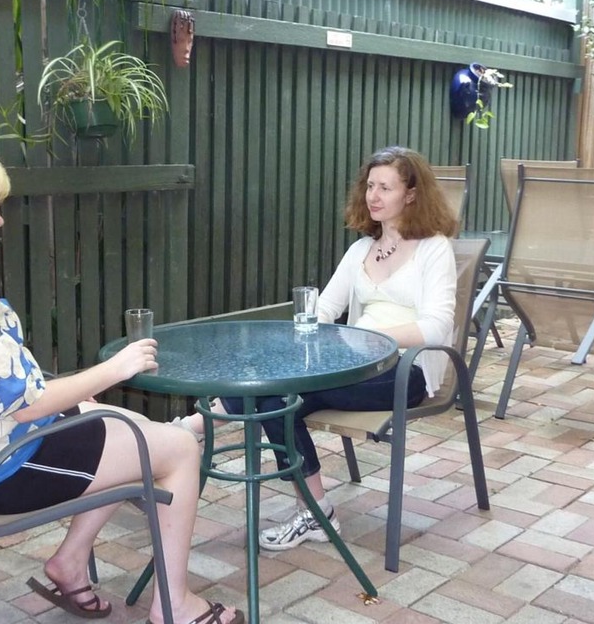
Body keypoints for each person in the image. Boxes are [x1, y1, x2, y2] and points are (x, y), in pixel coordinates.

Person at [0, 145, 241, 624]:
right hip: (0, 468)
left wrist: (76, 397)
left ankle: (69, 563)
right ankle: (175, 605)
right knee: (178, 450)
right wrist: (115, 370)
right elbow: (29, 405)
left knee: (129, 425)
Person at [177, 146, 460, 551]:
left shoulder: (434, 248)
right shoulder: (362, 249)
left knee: (274, 395)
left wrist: (367, 341)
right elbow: (325, 309)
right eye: (370, 185)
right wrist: (300, 332)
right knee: (273, 395)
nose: (373, 196)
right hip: (350, 362)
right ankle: (315, 509)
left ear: (411, 194)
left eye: (386, 187)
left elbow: (436, 325)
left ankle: (191, 431)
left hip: (404, 370)